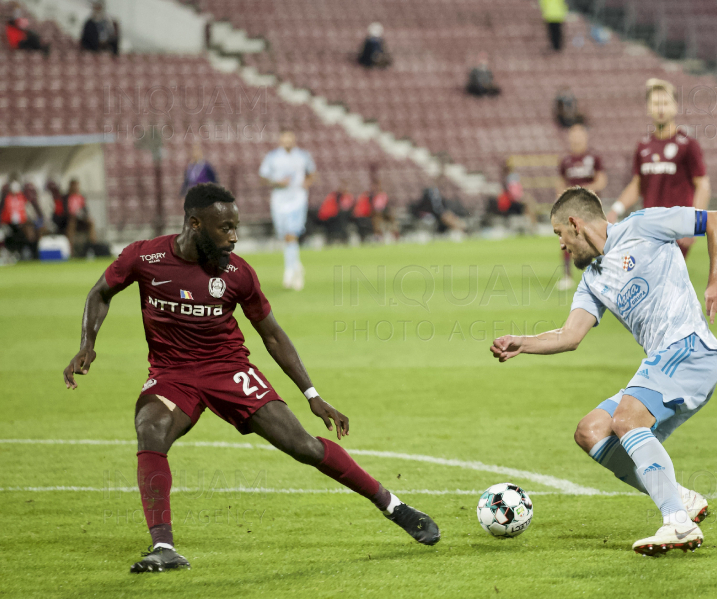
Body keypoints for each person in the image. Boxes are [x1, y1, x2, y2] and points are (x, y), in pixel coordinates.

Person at [62, 183, 441, 574]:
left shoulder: (238, 273)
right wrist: (87, 344)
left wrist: (312, 393)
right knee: (150, 429)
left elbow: (272, 334)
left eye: (236, 226)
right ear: (194, 224)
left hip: (229, 370)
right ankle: (163, 547)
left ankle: (394, 506)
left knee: (304, 447)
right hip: (172, 374)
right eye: (224, 228)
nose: (234, 236)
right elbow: (100, 293)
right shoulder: (146, 256)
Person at [490, 187, 717, 556]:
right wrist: (522, 342)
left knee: (626, 419)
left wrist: (716, 280)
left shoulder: (644, 225)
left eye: (560, 235)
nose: (561, 247)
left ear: (575, 224)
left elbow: (716, 220)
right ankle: (680, 497)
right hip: (667, 362)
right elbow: (570, 335)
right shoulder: (593, 280)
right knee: (591, 431)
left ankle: (677, 523)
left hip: (690, 348)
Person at [609, 78, 711, 259]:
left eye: (665, 103)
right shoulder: (643, 146)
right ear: (648, 108)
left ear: (675, 106)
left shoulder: (687, 144)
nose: (661, 108)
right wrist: (615, 209)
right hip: (649, 227)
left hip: (677, 229)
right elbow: (637, 184)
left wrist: (697, 227)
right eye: (656, 104)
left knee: (655, 280)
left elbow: (703, 185)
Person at [259, 128, 316, 290]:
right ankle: (297, 266)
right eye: (285, 139)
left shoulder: (303, 156)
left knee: (292, 234)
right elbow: (263, 177)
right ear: (280, 140)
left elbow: (312, 173)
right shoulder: (273, 157)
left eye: (290, 138)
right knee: (285, 236)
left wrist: (307, 183)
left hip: (298, 199)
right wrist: (276, 183)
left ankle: (289, 271)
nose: (287, 142)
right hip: (278, 200)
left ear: (294, 139)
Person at [556, 124, 606, 290]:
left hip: (589, 206)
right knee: (567, 238)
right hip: (571, 207)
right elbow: (560, 183)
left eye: (579, 135)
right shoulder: (565, 160)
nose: (576, 139)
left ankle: (602, 274)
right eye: (573, 135)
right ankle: (567, 276)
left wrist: (583, 191)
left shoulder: (594, 158)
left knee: (596, 239)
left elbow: (601, 181)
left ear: (585, 137)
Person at [0, 175, 44, 259]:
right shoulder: (5, 197)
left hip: (21, 223)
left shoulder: (22, 196)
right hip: (8, 223)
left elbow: (31, 209)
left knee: (32, 230)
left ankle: (34, 254)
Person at [54, 178, 98, 247]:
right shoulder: (64, 198)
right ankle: (70, 248)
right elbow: (61, 212)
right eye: (74, 185)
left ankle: (93, 246)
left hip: (80, 219)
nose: (75, 187)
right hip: (67, 220)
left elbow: (85, 210)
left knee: (91, 222)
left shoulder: (81, 197)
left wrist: (85, 217)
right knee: (72, 222)